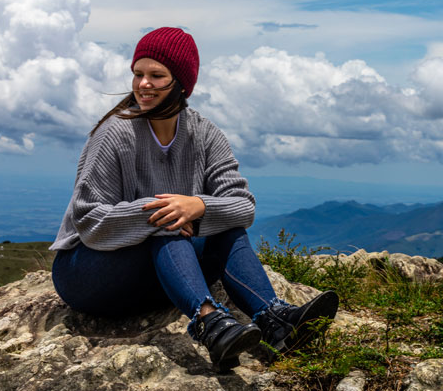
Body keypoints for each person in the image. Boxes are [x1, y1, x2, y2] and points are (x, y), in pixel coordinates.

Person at [49, 27, 338, 372]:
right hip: (86, 276)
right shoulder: (114, 133)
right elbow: (89, 220)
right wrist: (161, 213)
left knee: (226, 229)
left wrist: (199, 207)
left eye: (156, 76)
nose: (143, 84)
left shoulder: (204, 134)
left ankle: (275, 319)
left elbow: (243, 206)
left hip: (151, 277)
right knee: (167, 221)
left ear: (182, 83)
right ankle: (210, 323)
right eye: (138, 74)